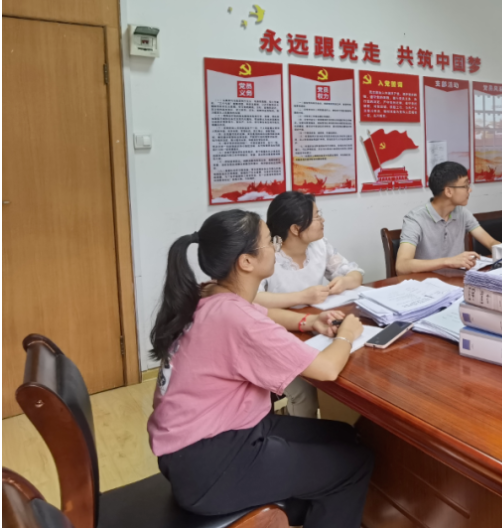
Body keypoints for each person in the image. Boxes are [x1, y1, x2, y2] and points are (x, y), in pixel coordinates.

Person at [147, 209, 373, 528]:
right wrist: (346, 335)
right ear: (246, 261)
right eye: (270, 242)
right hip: (212, 465)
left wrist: (309, 321)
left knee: (345, 436)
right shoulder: (236, 320)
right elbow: (326, 369)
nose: (276, 248)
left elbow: (260, 312)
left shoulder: (209, 294)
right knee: (354, 464)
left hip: (201, 445)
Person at [252, 191, 364, 418]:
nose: (322, 220)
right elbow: (252, 299)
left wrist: (344, 281)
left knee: (349, 367)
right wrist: (301, 297)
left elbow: (355, 273)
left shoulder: (319, 245)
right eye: (316, 216)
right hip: (273, 336)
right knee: (306, 388)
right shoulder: (268, 254)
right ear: (295, 229)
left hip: (313, 329)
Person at [396, 161, 500, 275]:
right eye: (465, 185)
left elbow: (490, 242)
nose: (470, 190)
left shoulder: (462, 213)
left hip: (456, 279)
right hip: (426, 281)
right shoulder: (415, 219)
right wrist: (447, 261)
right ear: (449, 191)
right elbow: (401, 266)